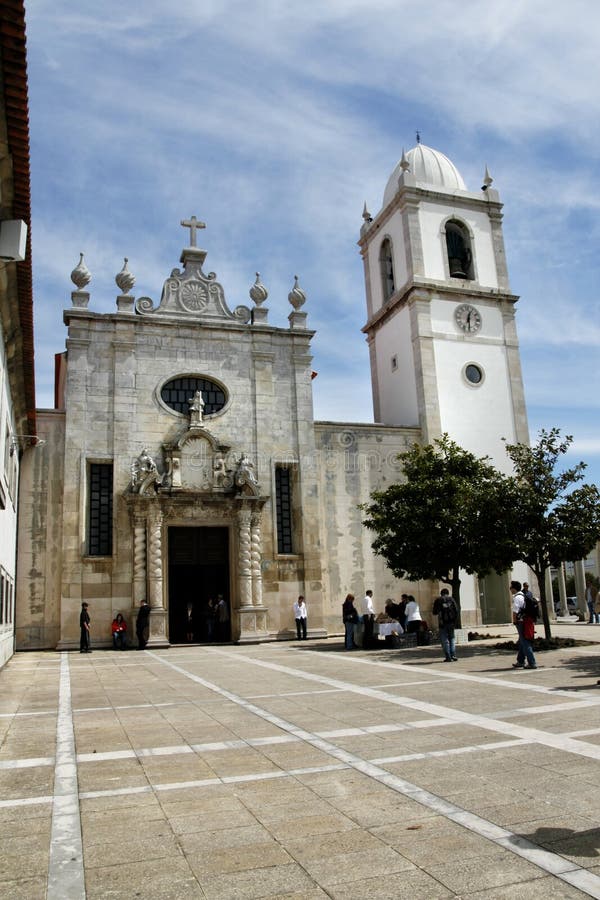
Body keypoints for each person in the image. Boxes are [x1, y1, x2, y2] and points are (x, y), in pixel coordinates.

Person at [511, 580, 537, 669]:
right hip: (527, 620)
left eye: (511, 588)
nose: (510, 589)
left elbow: (515, 611)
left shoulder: (517, 597)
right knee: (522, 641)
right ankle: (520, 661)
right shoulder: (523, 595)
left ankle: (532, 663)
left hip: (521, 621)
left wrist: (514, 621)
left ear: (514, 588)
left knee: (525, 642)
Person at [432, 588, 458, 661]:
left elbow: (434, 612)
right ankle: (453, 655)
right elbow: (456, 610)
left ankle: (448, 656)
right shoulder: (451, 599)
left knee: (444, 639)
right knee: (452, 638)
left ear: (441, 593)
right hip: (451, 622)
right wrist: (454, 621)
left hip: (442, 623)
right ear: (448, 593)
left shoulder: (438, 600)